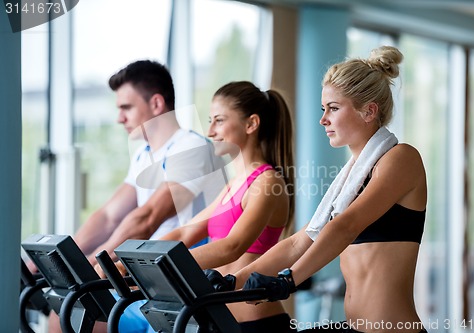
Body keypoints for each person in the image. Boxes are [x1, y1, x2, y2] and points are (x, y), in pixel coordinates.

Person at [232, 46, 428, 333]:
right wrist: (233, 280)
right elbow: (302, 241)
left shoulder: (401, 158)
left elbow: (346, 226)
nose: (323, 119)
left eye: (333, 108)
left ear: (368, 111)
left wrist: (289, 280)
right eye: (323, 109)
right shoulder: (350, 177)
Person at [49, 60, 224, 332]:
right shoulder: (144, 154)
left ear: (156, 104)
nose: (120, 117)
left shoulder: (192, 148)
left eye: (126, 107)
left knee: (74, 314)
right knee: (65, 313)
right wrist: (69, 259)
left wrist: (94, 261)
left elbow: (148, 218)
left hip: (181, 287)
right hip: (147, 280)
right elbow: (109, 215)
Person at [109, 81, 297, 333]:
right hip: (218, 320)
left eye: (219, 120)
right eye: (210, 120)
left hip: (257, 324)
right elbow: (184, 233)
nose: (210, 131)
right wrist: (129, 260)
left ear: (251, 124)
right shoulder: (232, 186)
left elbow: (232, 246)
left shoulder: (267, 181)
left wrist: (155, 266)